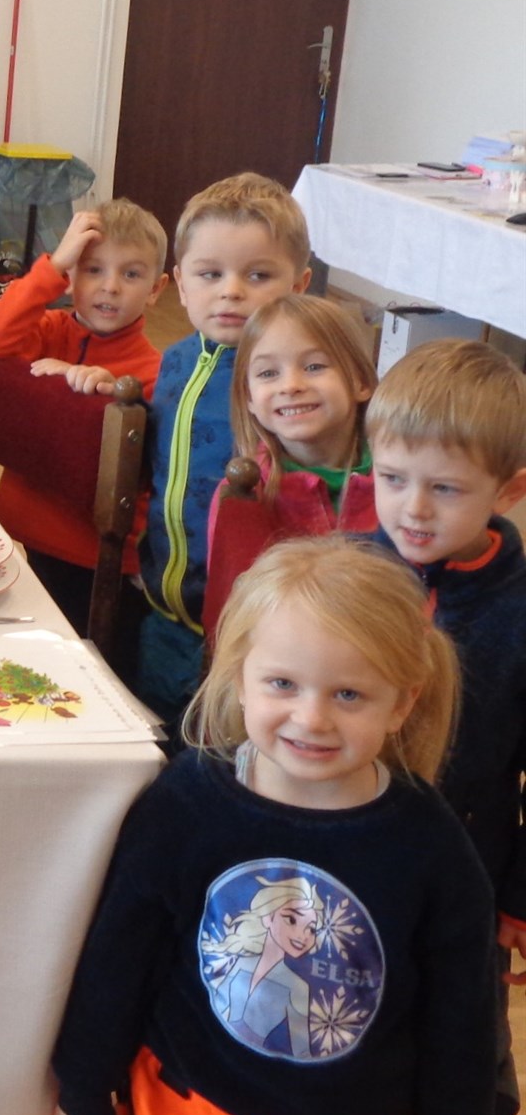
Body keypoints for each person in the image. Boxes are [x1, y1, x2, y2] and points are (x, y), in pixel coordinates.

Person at [52, 535, 494, 1115]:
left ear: (402, 703)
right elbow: (118, 962)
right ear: (240, 679)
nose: (311, 718)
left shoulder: (433, 849)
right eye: (283, 683)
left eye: (348, 694)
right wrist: (85, 1094)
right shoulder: (185, 805)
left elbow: (463, 1026)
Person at [367, 338, 526, 1115]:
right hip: (356, 864)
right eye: (393, 479)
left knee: (471, 1063)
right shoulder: (352, 574)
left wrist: (519, 894)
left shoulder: (519, 613)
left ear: (509, 491)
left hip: (469, 877)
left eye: (446, 488)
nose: (413, 509)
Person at [136, 172, 311, 724]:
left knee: (225, 747)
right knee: (155, 736)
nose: (232, 291)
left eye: (258, 275)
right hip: (162, 611)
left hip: (249, 633)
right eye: (210, 274)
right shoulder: (175, 361)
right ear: (181, 284)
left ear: (299, 285)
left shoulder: (290, 385)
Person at [0, 199, 167, 627]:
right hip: (29, 538)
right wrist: (54, 264)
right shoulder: (47, 331)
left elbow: (144, 472)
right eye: (93, 269)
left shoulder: (156, 372)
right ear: (71, 277)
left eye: (131, 274)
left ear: (156, 289)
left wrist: (111, 397)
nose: (110, 287)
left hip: (100, 564)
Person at [201, 295, 378, 640]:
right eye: (268, 373)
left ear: (360, 381)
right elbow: (233, 620)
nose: (291, 385)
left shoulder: (400, 482)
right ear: (249, 399)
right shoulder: (244, 495)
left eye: (314, 367)